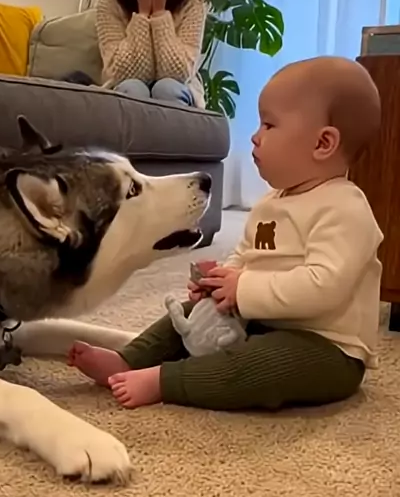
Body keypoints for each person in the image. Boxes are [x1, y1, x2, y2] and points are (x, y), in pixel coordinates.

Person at [68, 56, 384, 412]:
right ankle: (130, 358)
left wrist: (242, 289)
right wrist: (221, 282)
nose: (255, 136)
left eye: (269, 125)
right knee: (190, 313)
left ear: (322, 143)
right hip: (261, 319)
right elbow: (246, 257)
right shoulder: (271, 202)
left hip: (326, 347)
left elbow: (323, 287)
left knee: (264, 364)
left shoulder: (344, 209)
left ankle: (168, 381)